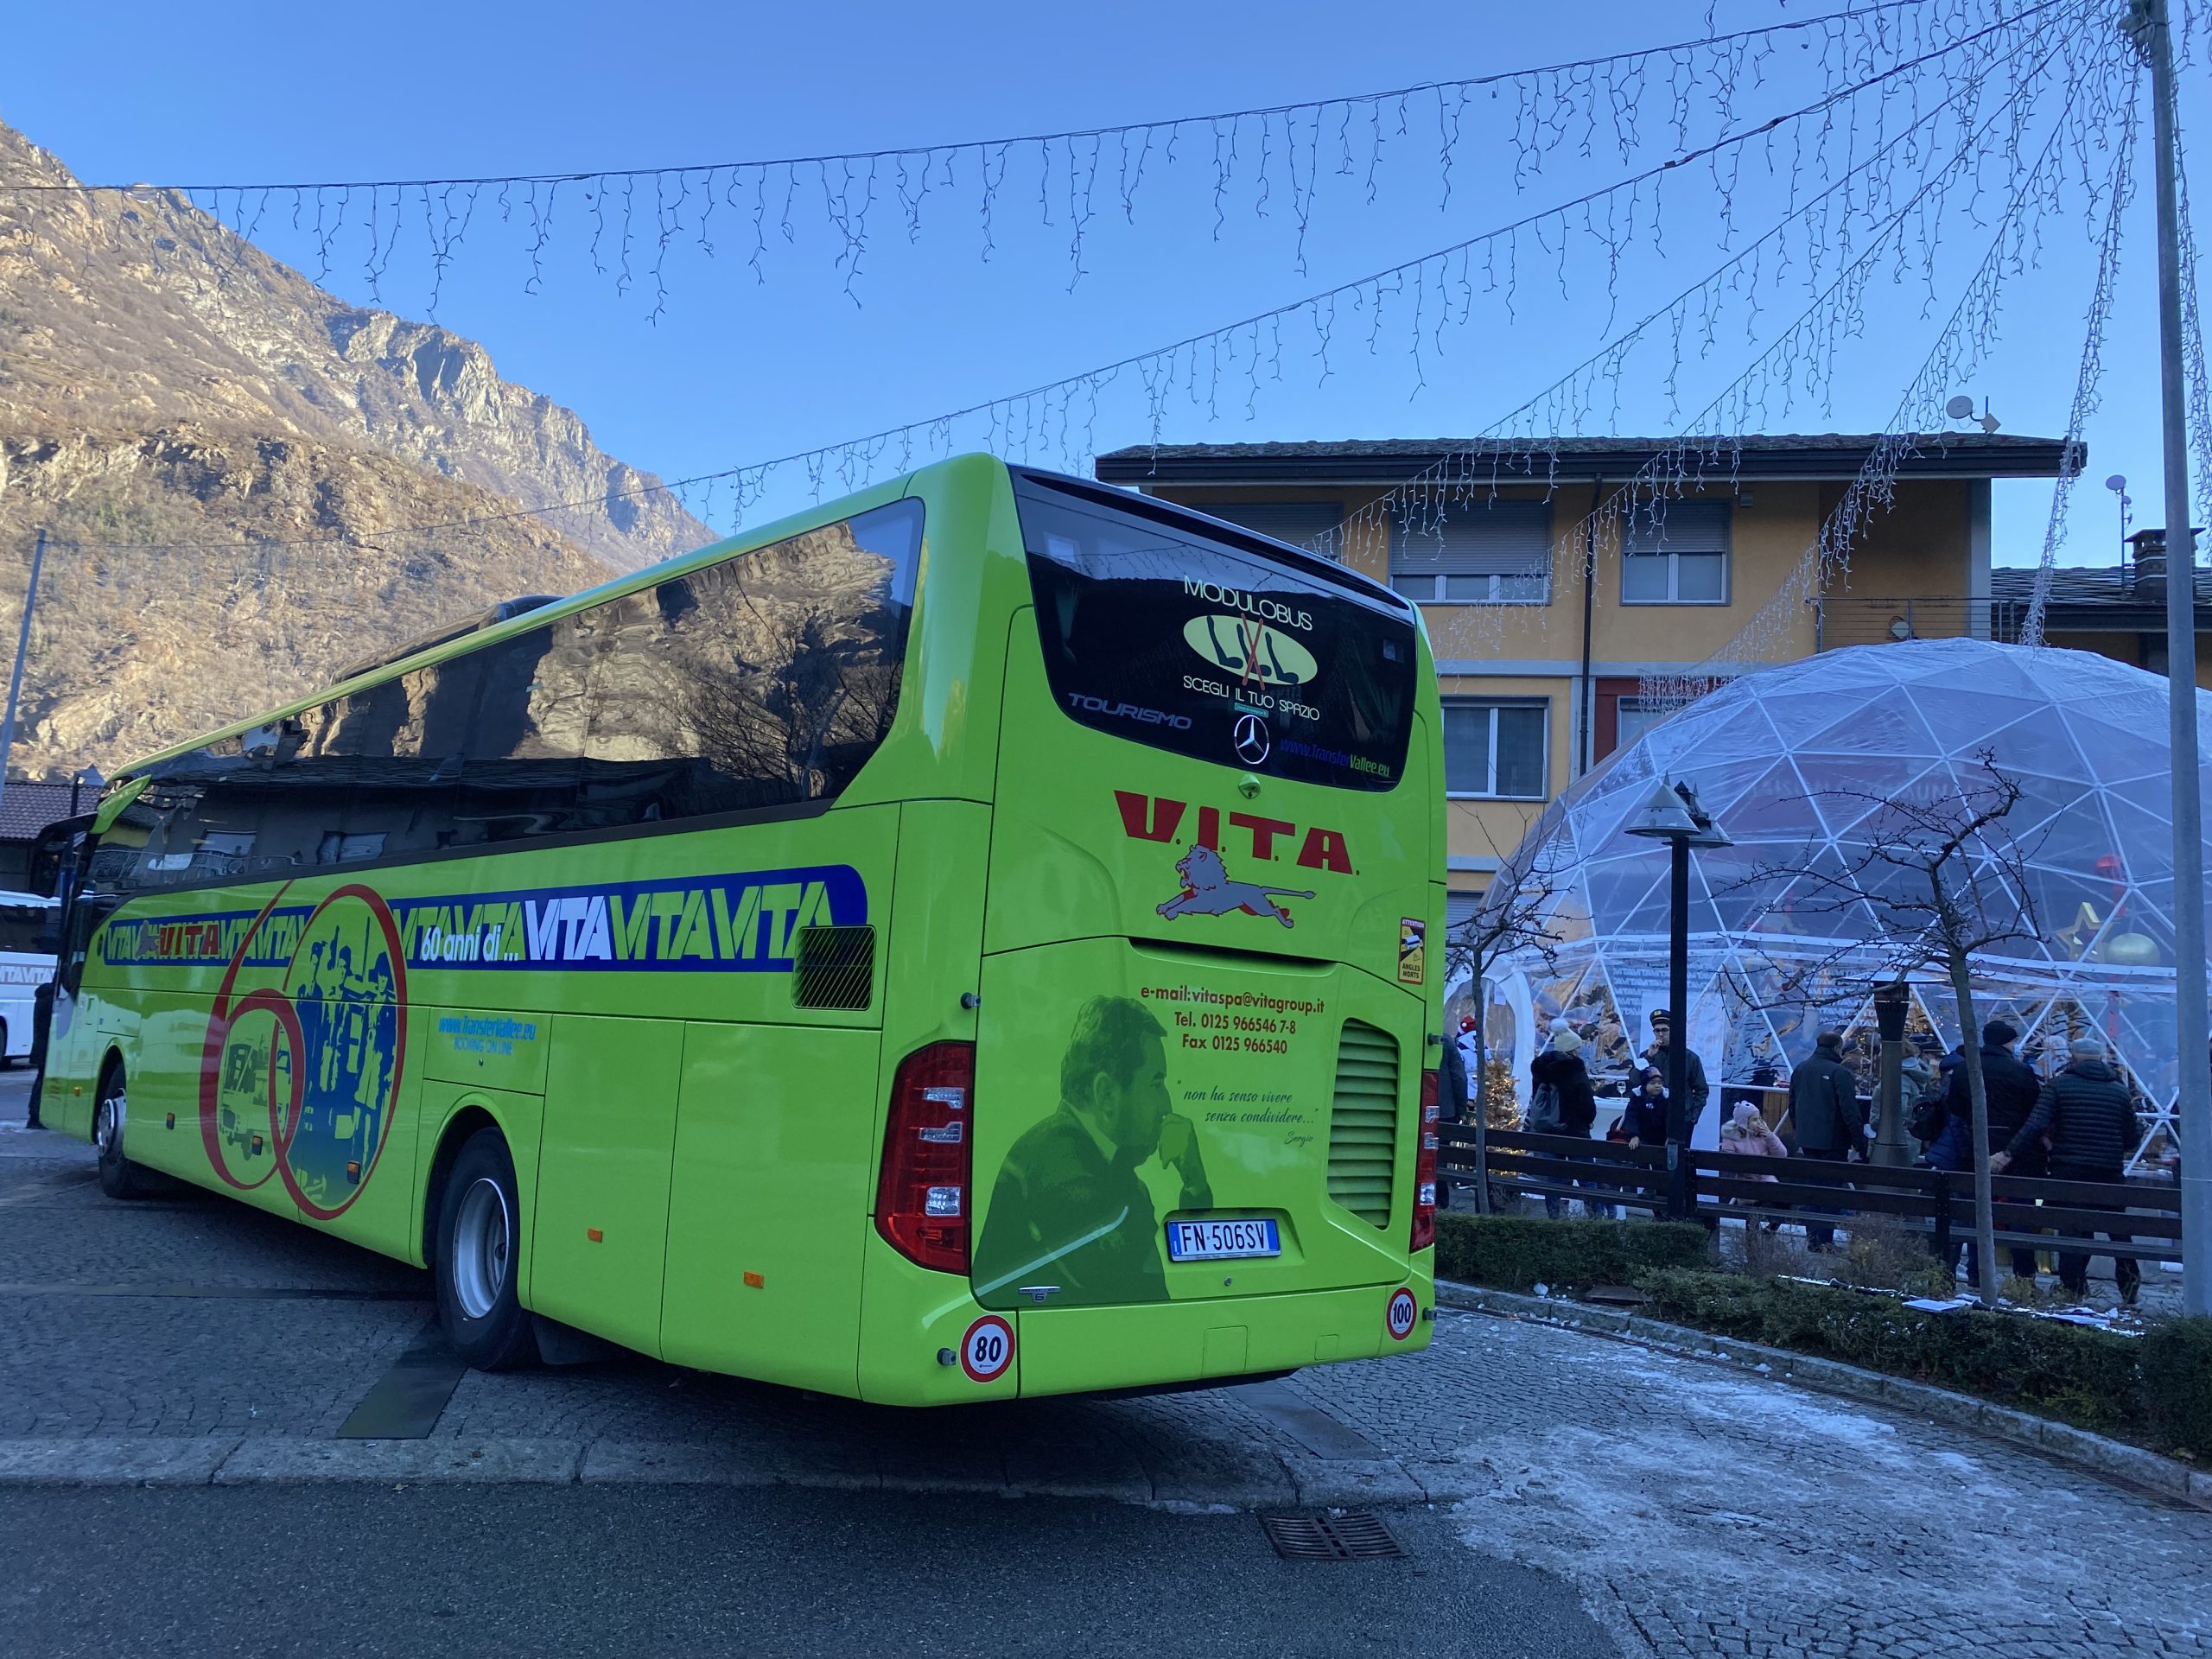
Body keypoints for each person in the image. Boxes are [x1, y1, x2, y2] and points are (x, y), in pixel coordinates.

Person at [971, 995, 1211, 1306]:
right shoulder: (1056, 1163)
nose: (1167, 1105)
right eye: (1156, 1084)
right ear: (1106, 1094)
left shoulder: (1108, 1166)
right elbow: (1131, 1287)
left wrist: (1195, 1185)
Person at [1992, 1038, 2145, 1306]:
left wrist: (2008, 1153)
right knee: (2118, 1231)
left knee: (2072, 1228)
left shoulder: (2059, 1086)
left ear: (2073, 1057)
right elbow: (2131, 1139)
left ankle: (2072, 1287)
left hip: (2069, 1170)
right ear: (2101, 1058)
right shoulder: (2119, 1090)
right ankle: (2129, 1284)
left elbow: (2035, 1124)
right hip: (2109, 1172)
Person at [1944, 1018, 2046, 1284]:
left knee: (1971, 1210)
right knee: (2019, 1213)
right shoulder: (2020, 1071)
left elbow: (1954, 1105)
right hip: (2014, 1152)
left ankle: (1970, 1272)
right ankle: (2024, 1277)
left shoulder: (1965, 1068)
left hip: (1974, 1148)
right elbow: (2034, 1111)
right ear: (2007, 1042)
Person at [1788, 1029, 1861, 1250]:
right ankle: (1824, 1240)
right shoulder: (1840, 1073)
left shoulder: (1801, 1069)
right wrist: (1860, 1142)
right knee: (1830, 1192)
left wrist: (1800, 1132)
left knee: (1813, 1189)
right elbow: (1850, 1111)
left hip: (1808, 1140)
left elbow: (1792, 1105)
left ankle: (1813, 1238)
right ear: (1838, 1048)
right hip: (1833, 1142)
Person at [1528, 1027, 1599, 1219]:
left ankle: (1554, 1219)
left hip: (1548, 1131)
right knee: (1587, 1179)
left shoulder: (1541, 1069)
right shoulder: (1575, 1069)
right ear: (1571, 1050)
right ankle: (1596, 1219)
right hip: (1575, 1131)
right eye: (1578, 1048)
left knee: (1554, 1179)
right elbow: (1586, 1104)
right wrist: (1588, 1120)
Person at [1642, 1009, 1711, 1144]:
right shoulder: (1647, 1055)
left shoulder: (1690, 1057)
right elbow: (1635, 1081)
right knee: (1652, 1155)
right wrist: (1649, 1057)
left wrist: (1692, 1118)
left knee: (1678, 1156)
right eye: (1657, 1031)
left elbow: (1701, 1089)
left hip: (1680, 1120)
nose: (1660, 1034)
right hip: (1651, 1118)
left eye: (1664, 1030)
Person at [1437, 1026, 1470, 1210]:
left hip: (1415, 1110)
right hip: (1445, 1112)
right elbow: (1459, 1078)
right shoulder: (1447, 1042)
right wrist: (1461, 1109)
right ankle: (1441, 1200)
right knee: (1440, 1158)